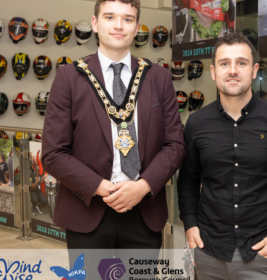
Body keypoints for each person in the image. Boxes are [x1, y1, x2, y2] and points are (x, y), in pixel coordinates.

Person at [42, 0, 185, 250]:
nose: (119, 25)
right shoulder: (69, 78)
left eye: (128, 19)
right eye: (110, 17)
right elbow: (53, 154)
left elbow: (175, 145)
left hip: (144, 212)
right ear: (95, 24)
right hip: (87, 211)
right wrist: (102, 187)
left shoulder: (158, 78)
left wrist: (142, 186)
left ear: (137, 26)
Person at [177, 31, 267, 280]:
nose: (232, 70)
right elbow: (187, 180)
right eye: (224, 63)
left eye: (241, 63)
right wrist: (189, 222)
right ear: (213, 71)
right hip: (209, 253)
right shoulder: (196, 124)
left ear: (254, 70)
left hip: (264, 256)